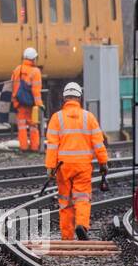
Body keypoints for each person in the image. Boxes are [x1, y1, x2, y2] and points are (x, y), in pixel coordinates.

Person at [44, 81, 109, 241]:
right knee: (82, 198)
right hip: (83, 166)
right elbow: (98, 143)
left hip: (62, 167)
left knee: (65, 202)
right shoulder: (89, 117)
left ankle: (67, 237)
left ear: (64, 98)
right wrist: (103, 162)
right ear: (79, 97)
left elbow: (52, 145)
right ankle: (82, 225)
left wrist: (50, 166)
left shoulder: (56, 118)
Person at [10, 47, 44, 152]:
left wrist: (15, 101)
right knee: (33, 126)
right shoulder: (35, 71)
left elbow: (12, 85)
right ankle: (34, 147)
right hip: (31, 104)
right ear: (33, 59)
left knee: (22, 127)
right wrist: (39, 104)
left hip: (19, 103)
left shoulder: (17, 70)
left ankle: (23, 147)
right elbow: (36, 91)